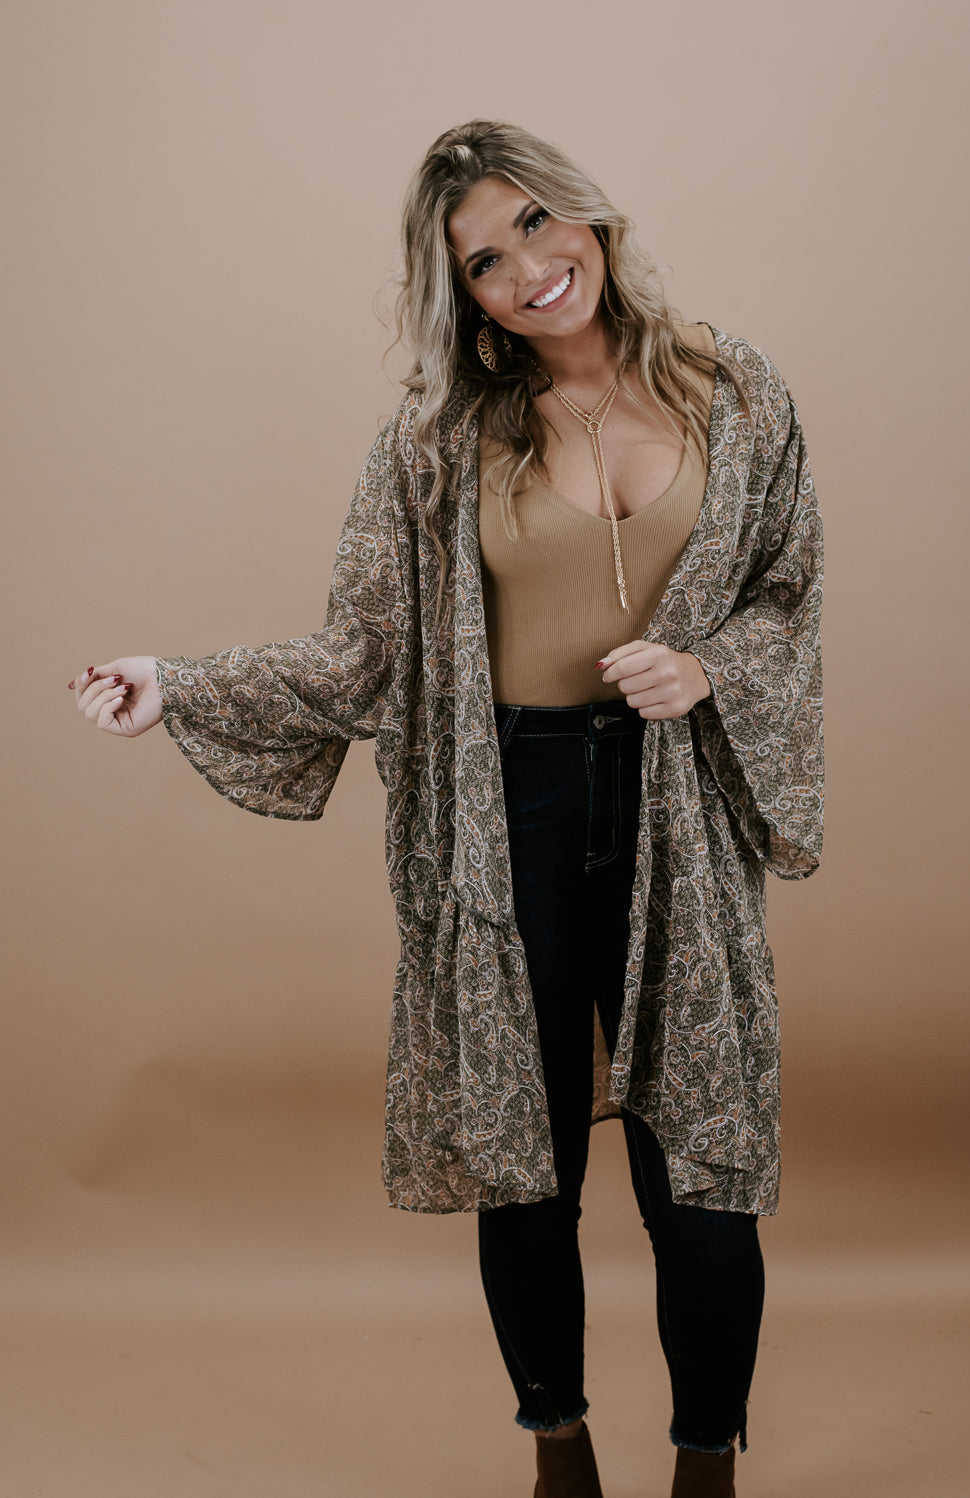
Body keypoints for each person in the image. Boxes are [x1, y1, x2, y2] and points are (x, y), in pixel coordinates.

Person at [67, 120, 824, 1498]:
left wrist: (708, 667)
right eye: (485, 260)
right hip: (505, 812)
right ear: (462, 293)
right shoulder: (434, 444)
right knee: (520, 1153)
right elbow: (361, 654)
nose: (529, 268)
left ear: (588, 216)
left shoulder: (737, 389)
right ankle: (558, 1454)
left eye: (537, 223)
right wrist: (175, 683)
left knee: (705, 1161)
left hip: (679, 810)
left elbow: (787, 587)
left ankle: (707, 1466)